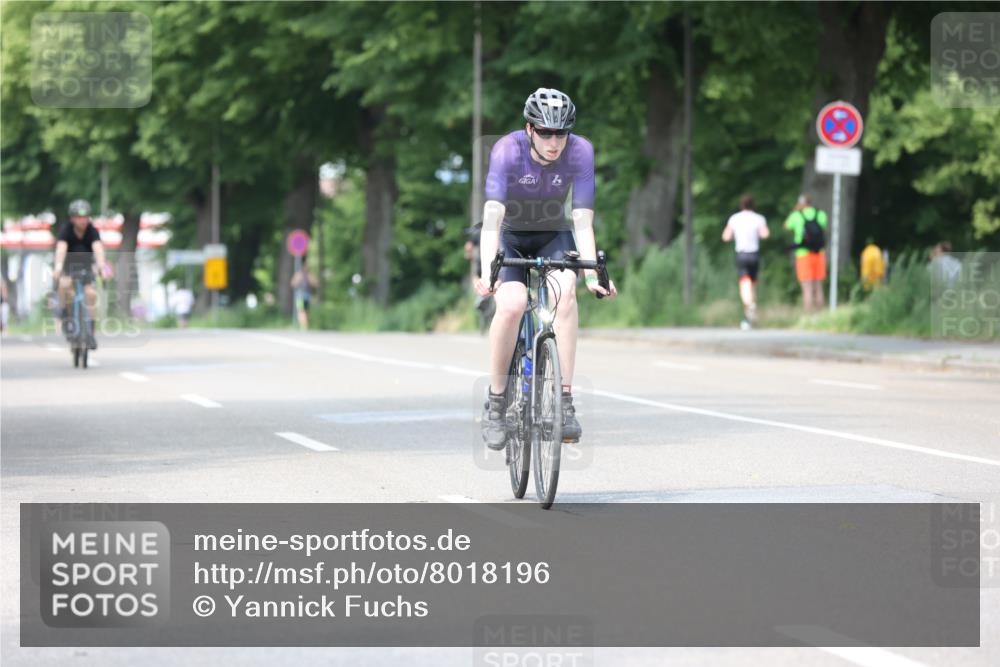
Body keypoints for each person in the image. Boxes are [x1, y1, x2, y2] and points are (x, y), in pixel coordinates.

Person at [474, 87, 617, 450]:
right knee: (511, 303)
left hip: (554, 233)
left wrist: (590, 275)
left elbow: (582, 219)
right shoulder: (507, 150)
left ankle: (565, 403)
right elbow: (492, 216)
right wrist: (488, 271)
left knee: (565, 296)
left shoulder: (581, 151)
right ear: (529, 129)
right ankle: (495, 402)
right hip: (510, 236)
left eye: (561, 133)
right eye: (546, 132)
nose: (555, 142)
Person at [52, 200, 109, 349]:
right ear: (72, 218)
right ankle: (67, 316)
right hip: (69, 267)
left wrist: (102, 266)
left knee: (90, 294)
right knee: (65, 286)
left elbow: (98, 248)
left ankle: (90, 332)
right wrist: (58, 267)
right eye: (78, 217)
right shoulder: (66, 230)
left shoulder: (92, 231)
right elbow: (61, 249)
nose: (82, 220)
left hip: (86, 267)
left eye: (85, 217)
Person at [722, 194, 769, 329]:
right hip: (754, 254)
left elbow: (725, 236)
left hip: (741, 254)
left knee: (744, 283)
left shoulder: (735, 219)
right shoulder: (759, 218)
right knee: (752, 283)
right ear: (753, 205)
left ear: (741, 205)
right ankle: (750, 313)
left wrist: (735, 236)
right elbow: (765, 234)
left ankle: (749, 305)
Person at [784, 194, 828, 311]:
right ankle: (821, 316)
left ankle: (809, 316)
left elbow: (786, 226)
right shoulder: (820, 214)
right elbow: (824, 227)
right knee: (818, 286)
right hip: (819, 254)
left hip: (803, 254)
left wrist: (795, 210)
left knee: (807, 287)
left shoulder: (796, 215)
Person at [291, 262, 318, 329]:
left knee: (305, 310)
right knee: (301, 310)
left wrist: (310, 281)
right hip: (300, 295)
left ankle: (304, 325)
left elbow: (316, 284)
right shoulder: (298, 274)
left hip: (306, 295)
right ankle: (303, 325)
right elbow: (293, 284)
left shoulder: (310, 275)